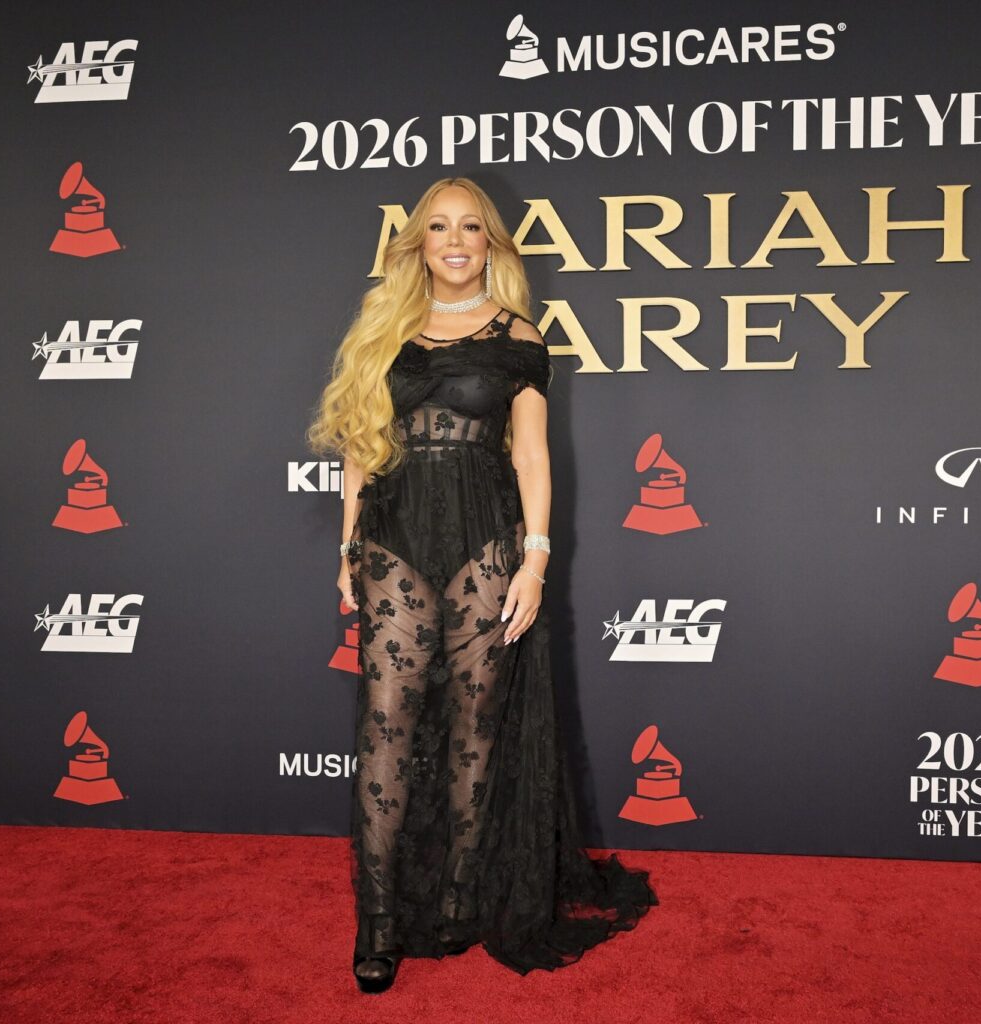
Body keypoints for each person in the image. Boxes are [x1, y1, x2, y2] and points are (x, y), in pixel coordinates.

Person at [306, 177, 656, 993]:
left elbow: (531, 456)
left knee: (474, 727)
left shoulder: (518, 335)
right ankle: (381, 919)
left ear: (491, 243)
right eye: (439, 227)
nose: (455, 240)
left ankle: (462, 893)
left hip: (484, 543)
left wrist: (535, 560)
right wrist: (349, 546)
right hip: (396, 539)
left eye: (471, 227)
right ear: (417, 243)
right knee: (386, 725)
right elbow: (360, 446)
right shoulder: (380, 327)